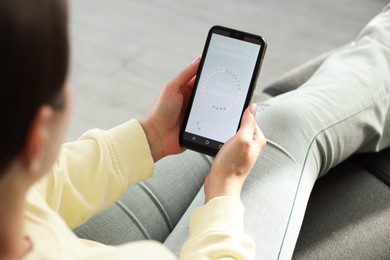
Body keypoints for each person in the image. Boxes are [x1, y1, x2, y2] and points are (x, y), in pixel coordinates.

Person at [0, 0, 389, 260]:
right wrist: (224, 194)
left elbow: (38, 183)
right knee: (287, 123)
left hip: (52, 234)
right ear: (36, 138)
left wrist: (150, 137)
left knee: (260, 116)